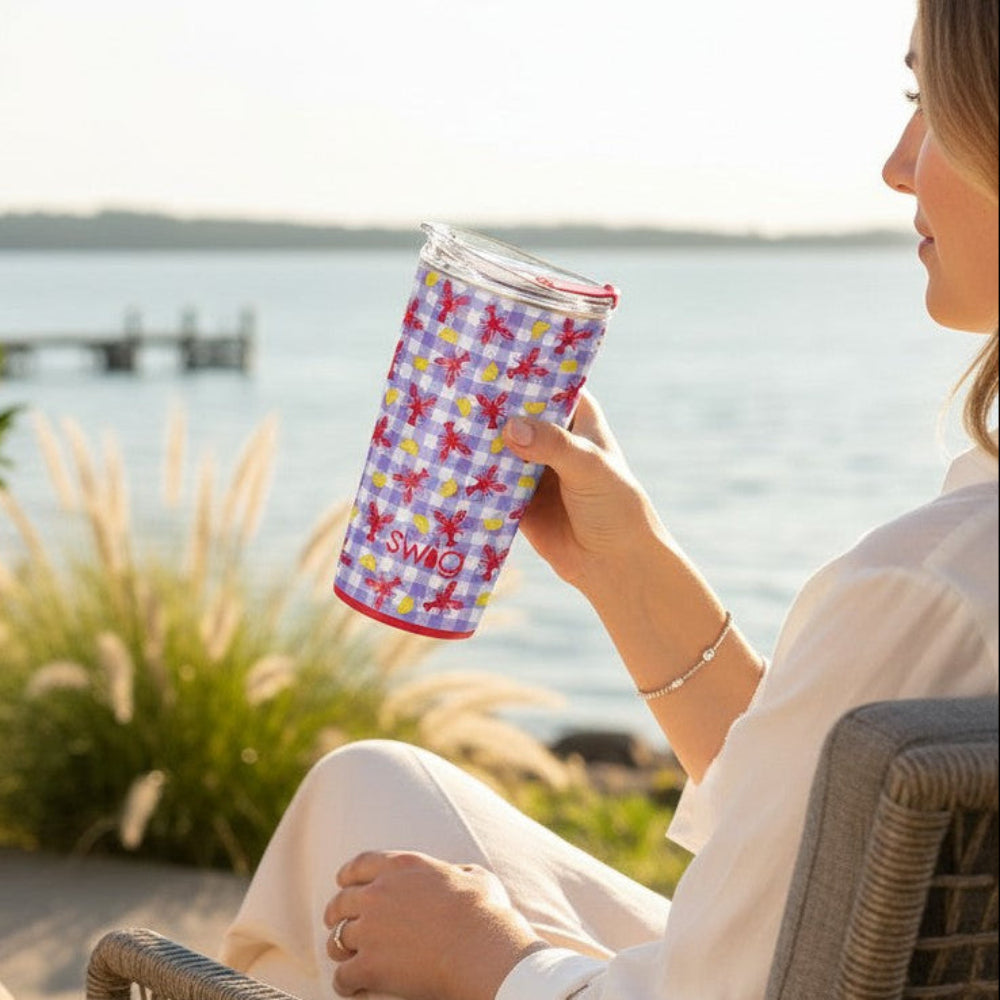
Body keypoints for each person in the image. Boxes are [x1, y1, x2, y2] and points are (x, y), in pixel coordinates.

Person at [220, 3, 999, 998]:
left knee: (344, 866)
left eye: (929, 103)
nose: (897, 164)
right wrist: (624, 565)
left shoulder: (932, 585)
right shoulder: (944, 583)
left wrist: (491, 956)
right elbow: (812, 829)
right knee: (368, 783)